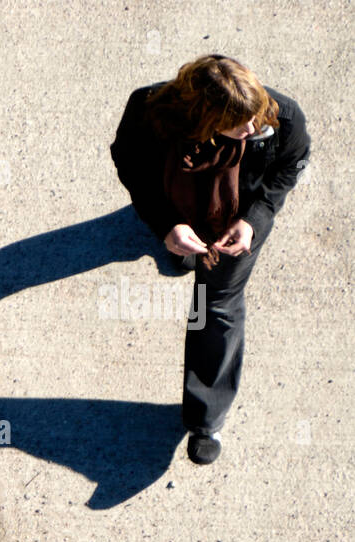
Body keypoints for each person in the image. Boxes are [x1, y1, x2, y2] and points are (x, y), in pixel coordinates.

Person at [111, 54, 311, 464]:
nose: (255, 128)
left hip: (234, 222)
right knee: (178, 245)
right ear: (204, 118)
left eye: (257, 117)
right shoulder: (150, 111)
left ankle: (205, 419)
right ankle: (178, 244)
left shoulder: (280, 115)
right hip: (178, 198)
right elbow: (129, 163)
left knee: (214, 306)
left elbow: (292, 164)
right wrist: (166, 225)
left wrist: (254, 220)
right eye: (242, 125)